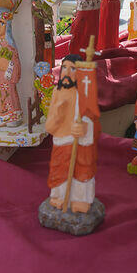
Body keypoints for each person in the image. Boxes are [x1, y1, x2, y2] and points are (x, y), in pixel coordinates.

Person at [45, 57, 100, 213]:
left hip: (79, 143)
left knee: (82, 170)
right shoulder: (57, 92)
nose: (67, 72)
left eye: (73, 68)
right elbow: (49, 127)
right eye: (64, 67)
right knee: (59, 170)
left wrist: (85, 127)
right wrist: (58, 114)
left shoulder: (84, 94)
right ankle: (60, 196)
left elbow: (93, 119)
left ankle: (80, 199)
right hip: (61, 141)